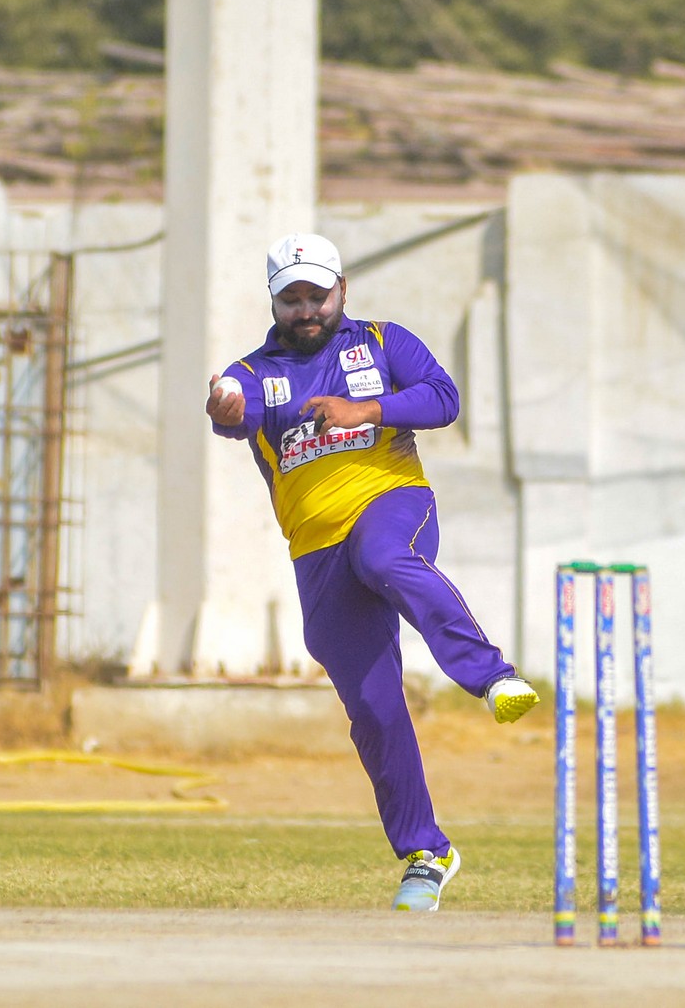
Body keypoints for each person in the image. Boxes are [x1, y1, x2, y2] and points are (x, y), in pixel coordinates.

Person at [205, 232, 539, 912]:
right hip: (316, 549)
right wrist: (224, 407)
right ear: (274, 302)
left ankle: (490, 675)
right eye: (292, 299)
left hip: (392, 503)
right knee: (374, 709)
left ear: (342, 289)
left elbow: (443, 398)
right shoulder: (254, 372)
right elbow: (233, 410)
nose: (307, 310)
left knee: (384, 556)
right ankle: (426, 853)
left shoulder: (383, 343)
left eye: (317, 295)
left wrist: (367, 410)